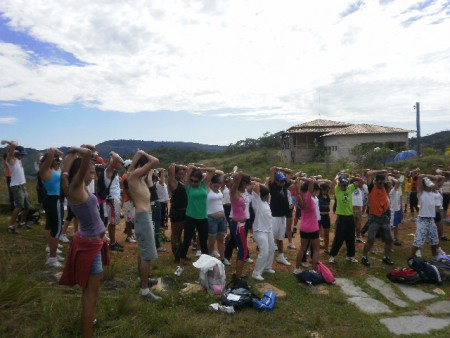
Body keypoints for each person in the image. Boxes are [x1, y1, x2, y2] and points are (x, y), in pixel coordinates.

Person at [59, 147, 110, 338]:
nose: (93, 176)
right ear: (80, 174)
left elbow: (65, 172)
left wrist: (71, 157)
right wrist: (79, 150)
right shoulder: (76, 187)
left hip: (90, 244)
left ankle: (88, 321)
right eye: (90, 172)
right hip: (90, 248)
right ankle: (87, 334)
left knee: (87, 292)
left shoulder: (68, 185)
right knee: (91, 296)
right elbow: (87, 156)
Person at [126, 150, 162, 301]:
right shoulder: (133, 176)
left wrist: (143, 162)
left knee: (143, 252)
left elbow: (150, 169)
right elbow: (155, 160)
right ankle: (145, 291)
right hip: (143, 216)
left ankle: (143, 280)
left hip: (144, 216)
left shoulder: (139, 178)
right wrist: (143, 154)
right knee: (147, 255)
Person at [174, 165, 216, 276]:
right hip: (190, 217)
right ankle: (181, 266)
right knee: (186, 242)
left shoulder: (204, 184)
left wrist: (200, 169)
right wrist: (193, 169)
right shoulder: (188, 186)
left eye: (196, 181)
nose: (193, 182)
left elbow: (213, 170)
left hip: (203, 218)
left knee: (203, 243)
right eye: (192, 180)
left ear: (200, 179)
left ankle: (204, 268)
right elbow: (189, 168)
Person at [361, 170, 395, 267]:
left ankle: (386, 257)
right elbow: (368, 174)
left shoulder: (385, 187)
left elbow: (388, 181)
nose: (381, 184)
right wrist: (381, 171)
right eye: (380, 182)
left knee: (389, 239)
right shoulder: (371, 187)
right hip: (374, 218)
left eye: (383, 182)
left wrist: (386, 174)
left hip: (384, 218)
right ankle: (364, 257)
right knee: (371, 239)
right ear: (376, 181)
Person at [328, 175, 363, 263]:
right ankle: (333, 255)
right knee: (339, 237)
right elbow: (336, 180)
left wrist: (352, 177)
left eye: (346, 185)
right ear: (340, 185)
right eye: (343, 185)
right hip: (341, 217)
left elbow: (361, 181)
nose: (345, 187)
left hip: (350, 216)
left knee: (351, 237)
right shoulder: (337, 189)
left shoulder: (350, 188)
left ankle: (350, 255)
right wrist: (343, 178)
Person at [39, 148, 65, 267]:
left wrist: (59, 155)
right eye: (53, 159)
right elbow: (50, 152)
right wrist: (55, 151)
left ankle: (52, 252)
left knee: (51, 227)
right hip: (54, 200)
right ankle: (52, 258)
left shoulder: (51, 171)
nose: (55, 160)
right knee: (57, 230)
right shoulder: (44, 170)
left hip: (52, 199)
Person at [1, 140, 31, 234]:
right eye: (21, 154)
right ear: (16, 153)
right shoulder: (11, 160)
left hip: (22, 186)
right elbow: (14, 144)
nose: (23, 156)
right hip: (16, 186)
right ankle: (11, 226)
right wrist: (6, 142)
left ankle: (22, 223)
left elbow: (14, 147)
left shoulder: (18, 160)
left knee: (27, 206)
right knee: (19, 206)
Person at [410, 174, 442, 259]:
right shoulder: (421, 192)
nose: (432, 187)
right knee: (418, 242)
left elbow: (438, 178)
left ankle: (434, 258)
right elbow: (420, 176)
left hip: (431, 219)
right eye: (430, 186)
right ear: (425, 186)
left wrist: (429, 177)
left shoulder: (432, 193)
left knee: (434, 241)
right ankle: (411, 259)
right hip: (422, 219)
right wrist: (426, 176)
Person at [294, 177, 321, 274]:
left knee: (302, 249)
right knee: (316, 250)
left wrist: (298, 181)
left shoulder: (298, 197)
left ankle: (296, 269)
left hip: (303, 228)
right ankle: (313, 270)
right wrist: (301, 178)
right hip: (313, 228)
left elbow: (298, 189)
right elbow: (311, 182)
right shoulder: (309, 198)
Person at [228, 171, 252, 278]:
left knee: (242, 249)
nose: (245, 185)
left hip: (239, 224)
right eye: (244, 183)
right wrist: (238, 177)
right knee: (243, 250)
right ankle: (238, 275)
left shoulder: (239, 193)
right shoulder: (233, 192)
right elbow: (235, 183)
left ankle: (238, 273)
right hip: (239, 225)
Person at [269, 166, 293, 266]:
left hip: (282, 216)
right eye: (281, 181)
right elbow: (272, 170)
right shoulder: (272, 186)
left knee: (280, 238)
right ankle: (267, 258)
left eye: (283, 180)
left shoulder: (284, 185)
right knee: (270, 238)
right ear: (276, 181)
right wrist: (274, 171)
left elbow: (290, 172)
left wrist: (280, 169)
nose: (283, 182)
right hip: (274, 217)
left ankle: (281, 256)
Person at [251, 182, 275, 281]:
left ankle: (267, 267)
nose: (269, 196)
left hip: (268, 230)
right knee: (264, 252)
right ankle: (256, 273)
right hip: (259, 230)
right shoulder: (257, 202)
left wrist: (264, 186)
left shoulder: (266, 202)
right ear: (263, 195)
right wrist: (259, 185)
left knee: (271, 249)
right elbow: (256, 186)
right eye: (268, 194)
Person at [104, 151, 125, 251]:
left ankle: (112, 241)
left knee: (113, 223)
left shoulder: (114, 172)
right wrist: (113, 153)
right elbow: (115, 157)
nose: (122, 164)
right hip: (112, 199)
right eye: (120, 162)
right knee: (112, 223)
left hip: (114, 199)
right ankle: (112, 243)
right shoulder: (109, 170)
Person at [168, 163, 188, 261]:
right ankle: (176, 255)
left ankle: (181, 253)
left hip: (184, 212)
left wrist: (181, 168)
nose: (182, 175)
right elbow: (171, 166)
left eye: (182, 173)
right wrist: (176, 166)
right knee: (175, 234)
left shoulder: (182, 182)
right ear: (175, 174)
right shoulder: (173, 182)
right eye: (179, 174)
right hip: (176, 212)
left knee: (180, 234)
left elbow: (187, 169)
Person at [207, 172, 226, 261]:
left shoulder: (219, 190)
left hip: (222, 218)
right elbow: (214, 172)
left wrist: (218, 176)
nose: (217, 185)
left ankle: (222, 258)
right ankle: (208, 261)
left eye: (219, 183)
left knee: (221, 240)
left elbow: (222, 174)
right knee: (211, 242)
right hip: (212, 219)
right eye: (215, 183)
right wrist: (212, 172)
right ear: (211, 183)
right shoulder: (207, 189)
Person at [121, 159, 136, 243]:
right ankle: (129, 237)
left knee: (130, 219)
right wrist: (134, 200)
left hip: (129, 200)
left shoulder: (128, 176)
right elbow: (128, 190)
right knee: (129, 220)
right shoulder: (126, 177)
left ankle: (130, 235)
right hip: (128, 201)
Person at [389, 177, 403, 246]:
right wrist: (392, 178)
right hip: (393, 212)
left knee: (396, 226)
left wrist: (401, 210)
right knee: (392, 227)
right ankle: (390, 240)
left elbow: (399, 202)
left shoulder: (397, 192)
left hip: (397, 211)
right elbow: (397, 182)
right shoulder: (392, 191)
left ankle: (395, 238)